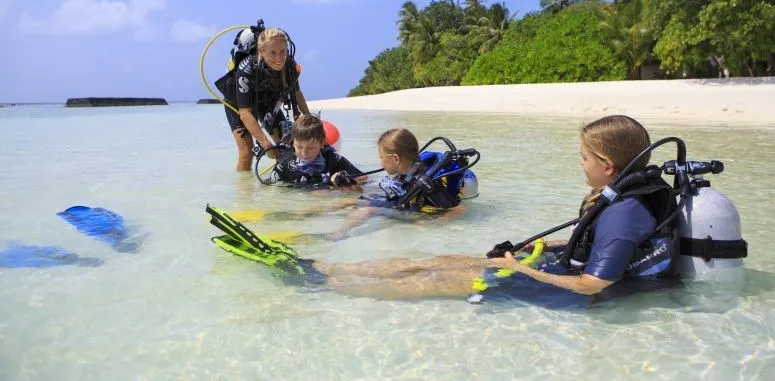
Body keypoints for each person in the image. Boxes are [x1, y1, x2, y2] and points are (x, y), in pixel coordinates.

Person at [207, 115, 678, 307]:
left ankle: (320, 284)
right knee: (437, 260)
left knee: (432, 280)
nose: (580, 165)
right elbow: (590, 246)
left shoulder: (624, 212)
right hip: (549, 265)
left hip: (560, 287)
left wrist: (522, 270)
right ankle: (325, 267)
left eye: (584, 158)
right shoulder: (619, 197)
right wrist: (540, 245)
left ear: (608, 165)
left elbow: (594, 283)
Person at [294, 128, 471, 239]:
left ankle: (340, 234)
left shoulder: (426, 183)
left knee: (366, 209)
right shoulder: (405, 172)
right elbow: (390, 189)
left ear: (395, 159)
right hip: (400, 201)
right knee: (350, 200)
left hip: (414, 210)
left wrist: (426, 226)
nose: (380, 162)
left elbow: (458, 210)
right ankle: (303, 214)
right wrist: (352, 185)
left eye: (381, 157)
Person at [217, 26, 310, 171]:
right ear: (261, 51)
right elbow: (245, 114)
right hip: (238, 104)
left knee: (286, 145)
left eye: (282, 52)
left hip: (267, 101)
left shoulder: (289, 65)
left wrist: (310, 120)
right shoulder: (246, 68)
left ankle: (287, 179)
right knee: (247, 152)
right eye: (272, 53)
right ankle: (244, 185)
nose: (279, 58)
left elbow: (297, 94)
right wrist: (264, 143)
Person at [265, 114, 365, 189]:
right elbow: (269, 187)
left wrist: (344, 178)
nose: (304, 152)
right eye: (299, 147)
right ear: (292, 143)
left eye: (310, 148)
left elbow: (364, 177)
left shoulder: (332, 159)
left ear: (321, 143)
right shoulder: (286, 163)